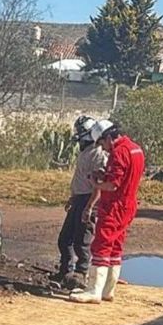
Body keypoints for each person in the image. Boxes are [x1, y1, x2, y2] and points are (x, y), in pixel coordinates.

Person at [71, 120, 145, 304]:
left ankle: (93, 291)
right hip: (128, 205)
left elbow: (113, 185)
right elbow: (125, 176)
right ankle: (107, 290)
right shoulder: (135, 149)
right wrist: (104, 175)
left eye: (102, 143)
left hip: (114, 206)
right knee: (115, 247)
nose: (103, 149)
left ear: (109, 138)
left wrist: (96, 184)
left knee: (101, 246)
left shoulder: (118, 152)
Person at [51, 116, 108, 289]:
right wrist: (73, 198)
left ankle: (81, 274)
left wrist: (90, 207)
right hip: (79, 198)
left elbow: (98, 185)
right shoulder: (85, 152)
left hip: (88, 199)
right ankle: (66, 271)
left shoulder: (98, 154)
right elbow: (81, 179)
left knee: (81, 241)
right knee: (65, 239)